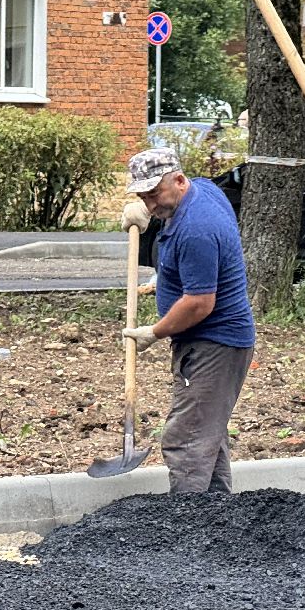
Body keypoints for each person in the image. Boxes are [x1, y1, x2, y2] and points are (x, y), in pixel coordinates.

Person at [119, 148, 256, 494]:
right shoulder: (203, 191)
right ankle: (217, 520)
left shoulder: (197, 228)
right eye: (142, 197)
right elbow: (191, 267)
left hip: (214, 343)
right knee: (208, 434)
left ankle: (187, 531)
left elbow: (198, 304)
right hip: (214, 340)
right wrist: (165, 277)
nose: (150, 206)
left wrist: (154, 332)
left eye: (154, 195)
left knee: (186, 440)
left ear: (179, 180)